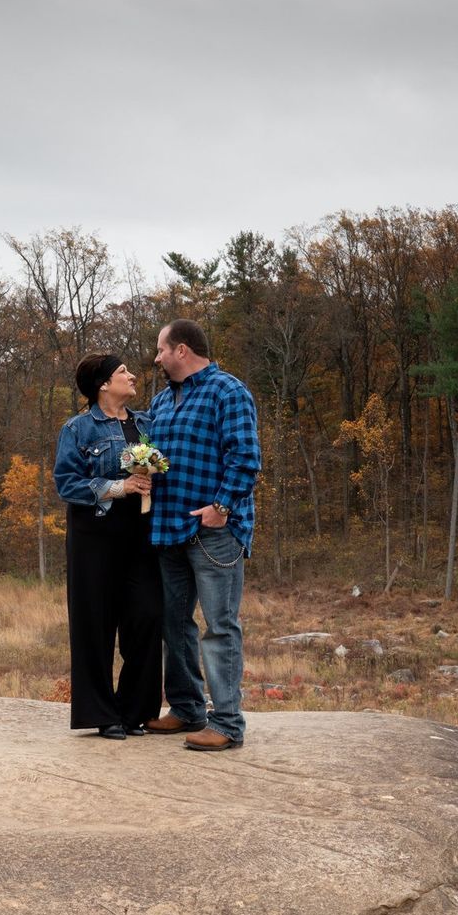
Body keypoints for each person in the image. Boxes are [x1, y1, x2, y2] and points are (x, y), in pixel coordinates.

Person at [142, 319, 260, 752]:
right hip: (168, 530)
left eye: (160, 350)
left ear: (182, 350)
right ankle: (187, 707)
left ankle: (227, 723)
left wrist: (222, 507)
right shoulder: (161, 401)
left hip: (215, 533)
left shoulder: (228, 391)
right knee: (174, 624)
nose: (156, 358)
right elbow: (149, 455)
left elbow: (246, 457)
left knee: (219, 626)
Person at [52, 353, 162, 740]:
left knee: (147, 617)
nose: (131, 376)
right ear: (102, 384)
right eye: (122, 372)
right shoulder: (78, 428)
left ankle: (136, 711)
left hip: (142, 538)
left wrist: (152, 477)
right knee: (95, 624)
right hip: (93, 539)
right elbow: (66, 483)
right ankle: (103, 714)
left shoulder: (146, 422)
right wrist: (119, 487)